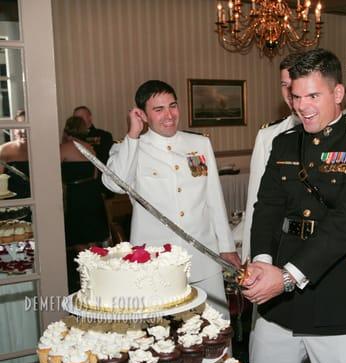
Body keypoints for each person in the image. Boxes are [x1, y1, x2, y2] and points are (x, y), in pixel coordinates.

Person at [243, 48, 346, 363]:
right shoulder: (284, 143)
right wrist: (263, 262)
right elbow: (267, 208)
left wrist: (289, 276)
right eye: (296, 96)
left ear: (338, 94)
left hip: (340, 301)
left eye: (313, 95)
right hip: (280, 306)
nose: (302, 105)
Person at [103, 80, 240, 317]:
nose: (169, 115)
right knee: (164, 333)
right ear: (143, 115)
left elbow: (214, 199)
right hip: (157, 262)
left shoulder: (199, 144)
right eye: (158, 109)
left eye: (172, 106)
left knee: (215, 326)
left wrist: (226, 247)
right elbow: (113, 184)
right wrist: (133, 134)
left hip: (204, 257)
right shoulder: (130, 148)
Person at [241, 52, 302, 263]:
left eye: (294, 83)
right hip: (277, 244)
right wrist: (251, 255)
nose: (290, 92)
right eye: (284, 85)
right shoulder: (268, 136)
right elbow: (256, 201)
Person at [60, 116, 110, 293]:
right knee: (91, 237)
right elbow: (96, 174)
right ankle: (97, 277)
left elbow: (52, 173)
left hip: (76, 195)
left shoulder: (64, 148)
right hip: (92, 194)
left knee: (78, 238)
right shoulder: (90, 148)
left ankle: (85, 279)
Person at [0, 110, 30, 199]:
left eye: (26, 126)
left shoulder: (42, 150)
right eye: (20, 126)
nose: (23, 131)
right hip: (13, 203)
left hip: (39, 202)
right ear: (14, 129)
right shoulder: (4, 150)